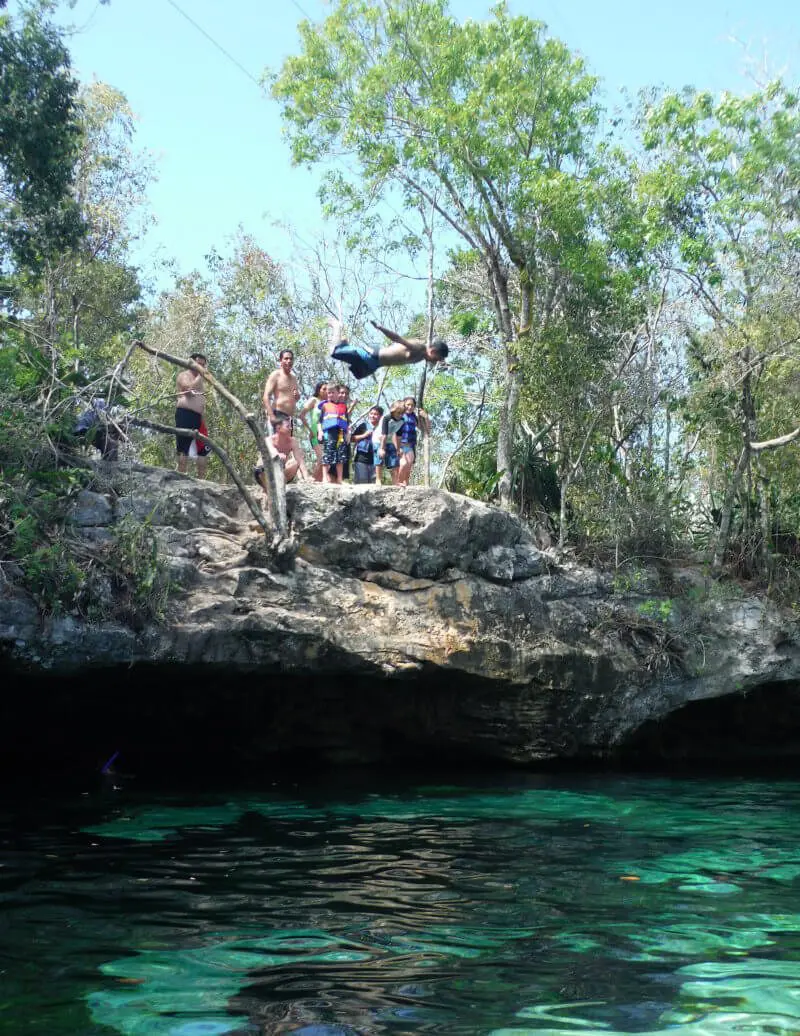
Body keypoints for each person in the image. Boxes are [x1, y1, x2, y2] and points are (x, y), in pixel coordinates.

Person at [329, 317, 449, 380]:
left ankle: (345, 344)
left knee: (357, 374)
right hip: (370, 355)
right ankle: (337, 326)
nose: (436, 362)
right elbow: (398, 339)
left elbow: (435, 366)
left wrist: (445, 365)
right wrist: (380, 328)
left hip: (373, 365)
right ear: (433, 351)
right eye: (437, 358)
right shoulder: (419, 348)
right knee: (335, 352)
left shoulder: (422, 357)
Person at [175, 353, 210, 477]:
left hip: (199, 417)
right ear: (192, 363)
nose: (201, 366)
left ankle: (202, 481)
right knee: (183, 448)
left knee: (203, 449)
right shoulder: (184, 375)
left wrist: (203, 421)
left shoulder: (201, 381)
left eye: (203, 365)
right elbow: (188, 390)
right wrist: (201, 375)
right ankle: (181, 478)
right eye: (198, 364)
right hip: (185, 415)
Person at [254, 416, 310, 491]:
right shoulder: (269, 440)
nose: (291, 428)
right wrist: (278, 455)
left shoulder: (293, 442)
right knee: (272, 461)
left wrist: (307, 478)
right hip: (263, 471)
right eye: (288, 426)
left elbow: (300, 461)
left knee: (295, 462)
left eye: (291, 426)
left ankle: (279, 483)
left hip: (280, 473)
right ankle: (267, 488)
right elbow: (273, 453)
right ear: (278, 428)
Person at [262, 348, 301, 431]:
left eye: (291, 359)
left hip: (289, 418)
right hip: (277, 415)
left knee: (287, 444)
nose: (289, 361)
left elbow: (296, 398)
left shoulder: (293, 377)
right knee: (277, 443)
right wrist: (272, 416)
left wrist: (297, 395)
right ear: (281, 360)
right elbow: (266, 396)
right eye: (286, 358)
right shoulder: (276, 375)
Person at [73, 397, 121, 461]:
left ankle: (109, 464)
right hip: (87, 440)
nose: (103, 411)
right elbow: (78, 429)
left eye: (104, 409)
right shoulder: (88, 415)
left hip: (102, 441)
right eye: (101, 409)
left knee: (113, 445)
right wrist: (95, 431)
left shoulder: (109, 418)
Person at [319, 382, 349, 484]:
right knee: (327, 455)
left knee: (341, 457)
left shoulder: (343, 407)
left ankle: (340, 479)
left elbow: (346, 422)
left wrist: (347, 434)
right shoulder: (325, 406)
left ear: (337, 393)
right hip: (329, 433)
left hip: (340, 433)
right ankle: (324, 478)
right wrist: (320, 432)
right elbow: (320, 422)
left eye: (332, 392)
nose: (330, 395)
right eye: (328, 393)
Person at [397, 396, 430, 486]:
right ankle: (398, 483)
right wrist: (397, 447)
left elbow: (426, 430)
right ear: (404, 405)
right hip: (400, 445)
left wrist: (426, 417)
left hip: (410, 446)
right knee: (403, 464)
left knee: (408, 466)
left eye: (412, 405)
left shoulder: (414, 417)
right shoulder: (399, 415)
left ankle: (406, 484)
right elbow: (392, 432)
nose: (410, 407)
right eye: (408, 405)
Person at [351, 405, 384, 484]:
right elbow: (352, 438)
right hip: (361, 459)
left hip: (376, 460)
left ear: (380, 416)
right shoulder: (364, 425)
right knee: (361, 482)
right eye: (371, 413)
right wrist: (364, 435)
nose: (372, 416)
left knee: (373, 484)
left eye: (375, 414)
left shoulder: (382, 428)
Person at [378, 400, 405, 485]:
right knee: (379, 460)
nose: (400, 415)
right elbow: (384, 434)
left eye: (402, 413)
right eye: (398, 413)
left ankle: (395, 482)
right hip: (379, 440)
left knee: (395, 463)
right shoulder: (387, 418)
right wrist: (382, 449)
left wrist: (398, 449)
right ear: (393, 411)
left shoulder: (402, 420)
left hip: (389, 441)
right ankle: (378, 480)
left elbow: (399, 436)